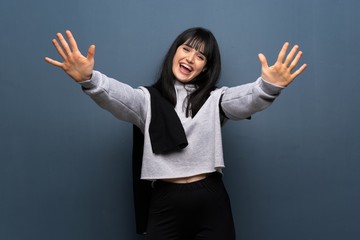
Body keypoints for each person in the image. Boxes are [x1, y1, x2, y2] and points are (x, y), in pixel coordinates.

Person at [45, 27, 306, 240]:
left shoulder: (216, 99)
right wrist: (89, 79)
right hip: (165, 200)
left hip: (210, 198)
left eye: (200, 56)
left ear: (205, 67)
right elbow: (117, 95)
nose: (191, 58)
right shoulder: (146, 99)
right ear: (175, 52)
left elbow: (246, 99)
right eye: (186, 49)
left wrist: (268, 87)